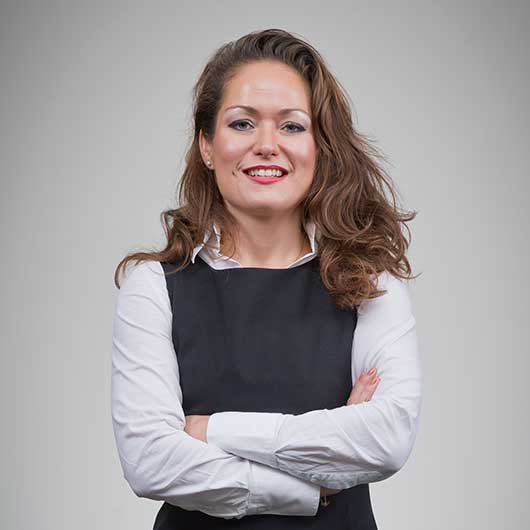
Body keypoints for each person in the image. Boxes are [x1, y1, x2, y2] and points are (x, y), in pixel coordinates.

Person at [111, 28, 422, 529]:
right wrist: (311, 485)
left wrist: (210, 431)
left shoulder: (370, 281)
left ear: (320, 148)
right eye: (242, 123)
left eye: (292, 127)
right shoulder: (154, 285)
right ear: (207, 146)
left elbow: (386, 440)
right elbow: (150, 463)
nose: (267, 145)